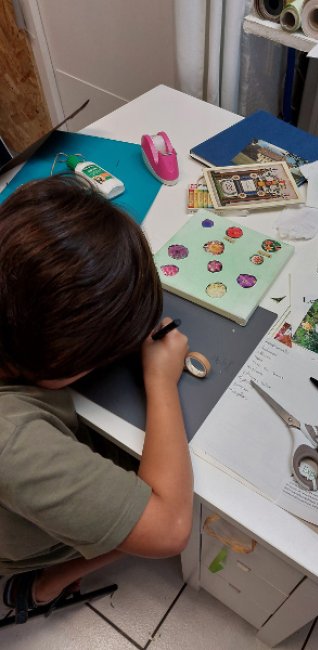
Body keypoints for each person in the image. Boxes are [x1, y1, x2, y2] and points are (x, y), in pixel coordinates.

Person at [0, 175, 193, 623]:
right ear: (60, 356)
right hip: (23, 539)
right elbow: (169, 529)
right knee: (174, 489)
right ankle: (47, 585)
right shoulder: (12, 443)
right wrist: (161, 380)